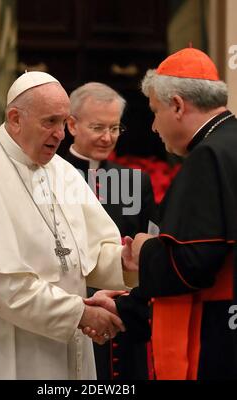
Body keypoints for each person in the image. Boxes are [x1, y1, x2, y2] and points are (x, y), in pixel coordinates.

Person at [0, 71, 140, 380]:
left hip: (65, 340)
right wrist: (81, 313)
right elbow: (1, 288)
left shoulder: (63, 172)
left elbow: (91, 252)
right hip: (0, 349)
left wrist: (122, 262)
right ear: (16, 118)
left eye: (64, 122)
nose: (61, 134)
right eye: (50, 122)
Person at [85, 48, 237, 380]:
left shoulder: (208, 157)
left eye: (154, 112)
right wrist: (127, 307)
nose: (153, 126)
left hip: (218, 337)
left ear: (178, 106)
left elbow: (193, 264)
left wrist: (144, 250)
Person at [64, 82, 157, 379]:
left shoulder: (135, 182)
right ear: (72, 125)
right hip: (71, 308)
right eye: (97, 127)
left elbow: (146, 251)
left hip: (120, 308)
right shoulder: (49, 177)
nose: (107, 138)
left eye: (114, 128)